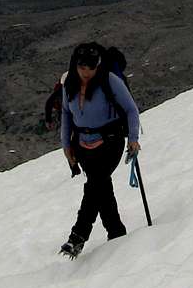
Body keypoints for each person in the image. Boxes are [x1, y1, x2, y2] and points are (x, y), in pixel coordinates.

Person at [59, 42, 140, 258]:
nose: (86, 73)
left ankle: (77, 236)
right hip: (83, 145)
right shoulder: (70, 84)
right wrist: (66, 145)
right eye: (82, 68)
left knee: (95, 184)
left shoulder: (110, 82)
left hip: (110, 141)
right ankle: (116, 232)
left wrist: (133, 139)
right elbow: (66, 114)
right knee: (101, 187)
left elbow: (131, 110)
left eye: (91, 69)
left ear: (98, 66)